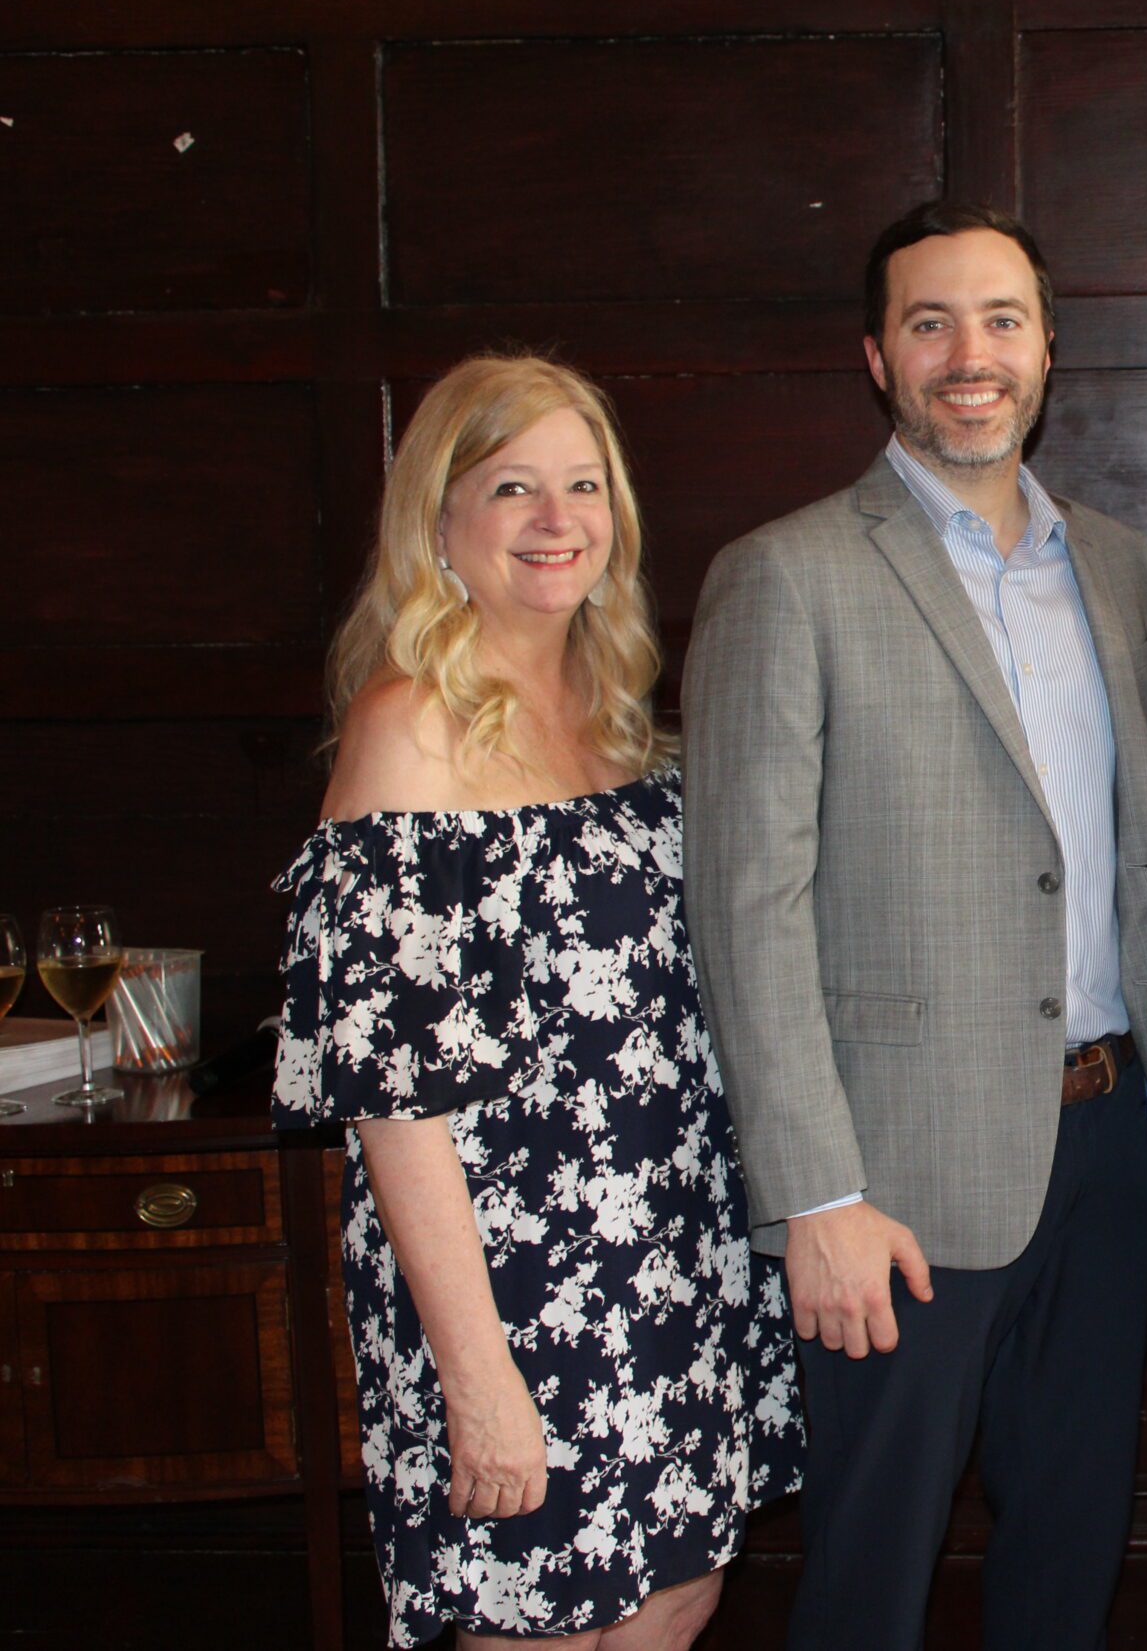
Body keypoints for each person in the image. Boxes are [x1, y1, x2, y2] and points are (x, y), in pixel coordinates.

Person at [681, 199, 1147, 1651]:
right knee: (867, 1589)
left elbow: (1141, 864)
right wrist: (814, 1196)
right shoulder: (786, 574)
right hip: (890, 1185)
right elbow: (745, 906)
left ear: (1047, 349)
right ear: (877, 357)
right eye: (930, 323)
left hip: (1105, 1147)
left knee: (1069, 1565)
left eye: (1002, 320)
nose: (972, 356)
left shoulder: (1119, 567)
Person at [271, 353, 801, 1651]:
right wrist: (477, 1376)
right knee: (544, 1622)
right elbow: (392, 1099)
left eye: (584, 485)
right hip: (511, 1284)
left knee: (679, 1593)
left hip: (671, 1248)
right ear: (439, 519)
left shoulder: (618, 713)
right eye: (513, 486)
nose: (558, 518)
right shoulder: (410, 729)